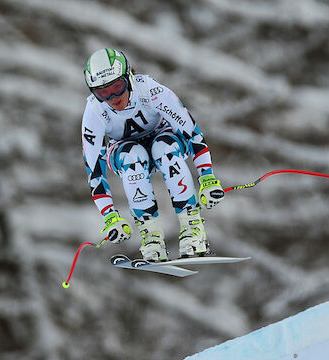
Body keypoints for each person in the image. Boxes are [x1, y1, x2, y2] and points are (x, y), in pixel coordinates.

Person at [81, 48, 225, 262]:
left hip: (163, 136)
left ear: (128, 77)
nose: (113, 97)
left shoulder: (149, 90)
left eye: (118, 87)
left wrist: (207, 177)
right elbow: (94, 170)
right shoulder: (94, 111)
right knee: (132, 155)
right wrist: (110, 216)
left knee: (164, 148)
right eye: (103, 93)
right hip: (124, 149)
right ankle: (151, 237)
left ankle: (193, 228)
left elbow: (192, 132)